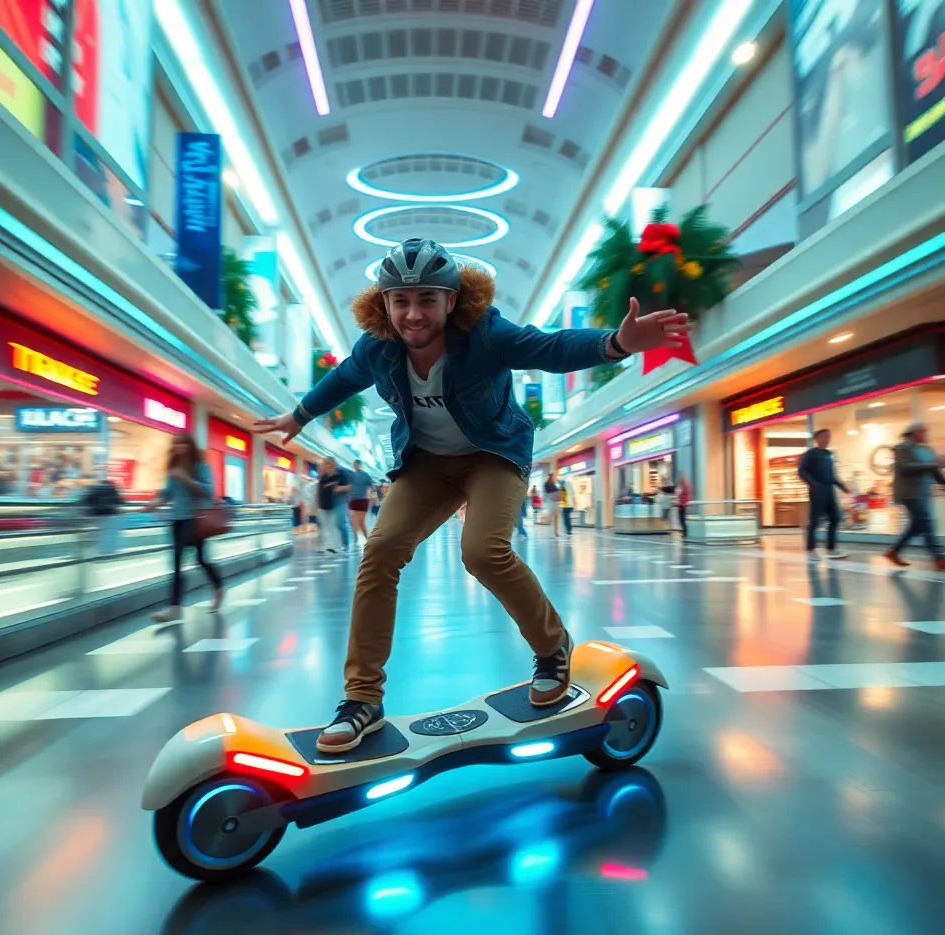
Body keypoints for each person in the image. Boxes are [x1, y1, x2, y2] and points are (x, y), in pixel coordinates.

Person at [252, 237, 688, 753]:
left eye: (427, 300)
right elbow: (344, 377)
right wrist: (298, 416)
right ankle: (362, 700)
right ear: (385, 304)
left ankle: (552, 650)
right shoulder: (378, 348)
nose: (413, 314)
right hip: (426, 464)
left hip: (493, 455)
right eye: (401, 301)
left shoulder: (484, 335)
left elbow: (547, 347)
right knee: (381, 552)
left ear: (452, 301)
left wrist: (615, 343)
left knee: (483, 551)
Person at [144, 432, 223, 621]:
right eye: (177, 444)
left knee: (199, 560)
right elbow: (168, 493)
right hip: (177, 520)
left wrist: (186, 479)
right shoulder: (173, 468)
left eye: (183, 444)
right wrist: (155, 503)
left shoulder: (200, 467)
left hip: (195, 520)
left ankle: (217, 589)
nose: (180, 448)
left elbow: (208, 491)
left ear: (190, 446)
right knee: (179, 562)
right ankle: (175, 607)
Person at [885, 423, 945, 570]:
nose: (926, 434)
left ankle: (894, 551)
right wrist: (933, 464)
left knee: (919, 524)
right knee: (926, 522)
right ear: (913, 433)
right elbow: (906, 467)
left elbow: (934, 470)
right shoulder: (902, 448)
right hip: (909, 493)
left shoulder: (927, 449)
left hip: (924, 492)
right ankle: (938, 558)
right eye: (923, 431)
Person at [797, 428, 851, 560]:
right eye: (825, 437)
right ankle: (811, 551)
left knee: (835, 518)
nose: (827, 439)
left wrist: (842, 486)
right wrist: (814, 484)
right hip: (818, 492)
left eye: (829, 437)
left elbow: (831, 475)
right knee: (814, 521)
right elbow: (801, 471)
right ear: (817, 439)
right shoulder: (810, 454)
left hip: (829, 491)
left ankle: (831, 549)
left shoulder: (829, 454)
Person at [316, 457, 350, 552]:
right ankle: (328, 545)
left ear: (334, 463)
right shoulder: (325, 475)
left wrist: (340, 488)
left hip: (339, 500)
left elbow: (350, 487)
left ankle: (345, 544)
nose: (327, 465)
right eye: (325, 463)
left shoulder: (342, 472)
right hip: (327, 502)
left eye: (328, 463)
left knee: (340, 522)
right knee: (325, 524)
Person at [346, 459, 374, 543]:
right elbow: (349, 486)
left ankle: (367, 539)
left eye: (357, 464)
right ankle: (355, 538)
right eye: (354, 465)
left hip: (362, 500)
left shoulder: (365, 475)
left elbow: (371, 486)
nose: (355, 466)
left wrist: (370, 496)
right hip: (353, 500)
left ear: (360, 465)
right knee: (353, 521)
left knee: (361, 522)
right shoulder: (351, 475)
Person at [543, 471, 560, 536]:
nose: (554, 477)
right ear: (551, 477)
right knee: (552, 517)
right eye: (553, 476)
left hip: (555, 502)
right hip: (552, 502)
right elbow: (549, 493)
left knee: (556, 518)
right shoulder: (548, 484)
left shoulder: (553, 484)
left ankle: (556, 532)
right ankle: (554, 532)